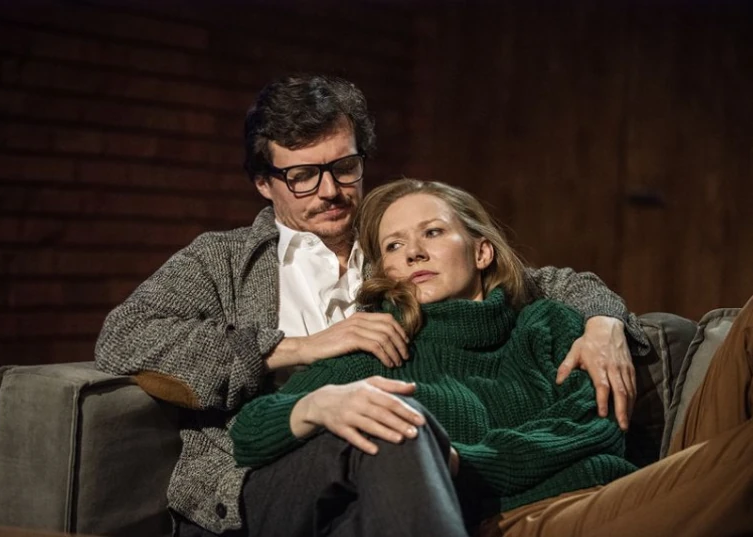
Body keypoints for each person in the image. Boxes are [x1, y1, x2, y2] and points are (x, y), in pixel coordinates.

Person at [95, 75, 649, 536]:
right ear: (264, 183)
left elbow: (539, 281)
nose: (329, 191)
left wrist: (604, 322)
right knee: (392, 423)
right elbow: (126, 335)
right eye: (302, 176)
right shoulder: (221, 260)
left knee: (396, 428)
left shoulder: (396, 241)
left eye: (344, 167)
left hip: (402, 478)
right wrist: (299, 348)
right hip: (271, 474)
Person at [230, 179, 753, 537]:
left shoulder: (546, 323)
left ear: (481, 251)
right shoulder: (379, 348)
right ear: (386, 271)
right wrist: (316, 404)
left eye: (432, 232)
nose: (413, 252)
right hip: (518, 519)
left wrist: (465, 461)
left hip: (613, 488)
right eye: (393, 246)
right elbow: (250, 431)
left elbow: (597, 429)